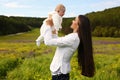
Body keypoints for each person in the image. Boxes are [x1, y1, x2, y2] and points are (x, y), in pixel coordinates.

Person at [44, 15, 95, 80]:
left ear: (79, 25)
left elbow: (48, 41)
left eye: (75, 20)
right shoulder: (74, 37)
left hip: (59, 75)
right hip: (60, 75)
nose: (72, 21)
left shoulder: (73, 38)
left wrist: (48, 26)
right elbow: (58, 41)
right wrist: (53, 29)